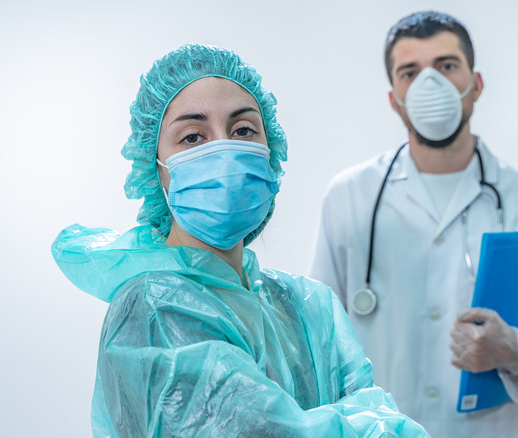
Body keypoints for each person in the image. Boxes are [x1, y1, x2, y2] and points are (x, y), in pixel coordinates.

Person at [51, 44, 428, 438]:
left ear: (270, 152)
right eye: (193, 137)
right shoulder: (154, 310)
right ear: (156, 169)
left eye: (243, 130)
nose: (224, 152)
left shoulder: (306, 306)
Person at [309, 11, 518, 438]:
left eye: (446, 66)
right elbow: (318, 334)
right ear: (394, 98)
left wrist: (516, 349)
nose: (430, 85)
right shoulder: (349, 195)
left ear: (474, 86)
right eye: (410, 72)